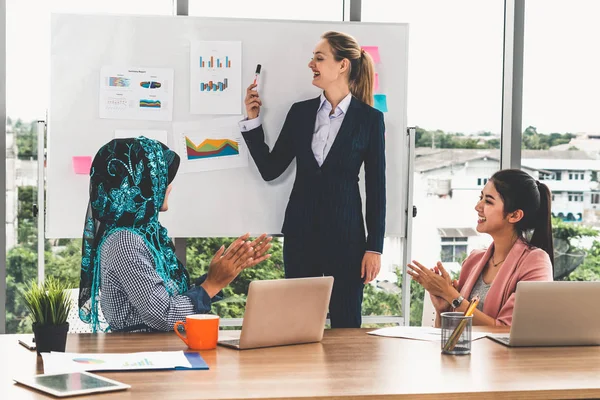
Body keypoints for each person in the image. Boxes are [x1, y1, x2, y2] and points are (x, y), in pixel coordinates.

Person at [240, 31, 386, 328]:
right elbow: (271, 169)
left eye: (319, 58)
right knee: (297, 323)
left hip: (347, 240)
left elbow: (377, 188)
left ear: (342, 65)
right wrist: (253, 120)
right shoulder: (301, 113)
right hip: (300, 235)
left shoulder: (369, 119)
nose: (311, 64)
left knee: (346, 325)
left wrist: (375, 247)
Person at [79, 137, 272, 332]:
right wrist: (212, 284)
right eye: (162, 180)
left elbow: (169, 299)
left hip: (163, 350)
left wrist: (224, 272)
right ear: (142, 185)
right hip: (143, 356)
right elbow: (163, 314)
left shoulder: (146, 235)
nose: (169, 187)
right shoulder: (125, 241)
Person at [408, 169, 554, 327]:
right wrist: (443, 309)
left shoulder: (535, 262)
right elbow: (451, 335)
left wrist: (451, 295)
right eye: (481, 198)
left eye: (489, 201)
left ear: (514, 215)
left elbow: (508, 330)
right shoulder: (474, 260)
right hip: (469, 352)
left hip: (503, 353)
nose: (478, 206)